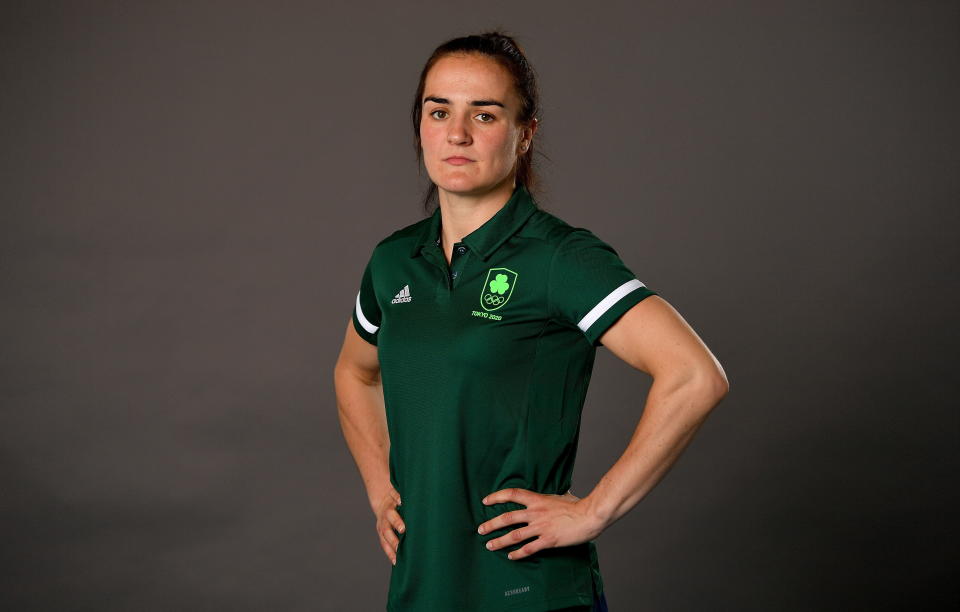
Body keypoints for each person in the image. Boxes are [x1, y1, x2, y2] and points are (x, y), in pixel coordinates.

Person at [334, 31, 729, 612]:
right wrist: (380, 488)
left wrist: (593, 511)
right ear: (419, 123)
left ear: (526, 132)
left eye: (485, 114)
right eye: (438, 110)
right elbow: (354, 372)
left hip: (527, 590)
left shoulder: (560, 258)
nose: (457, 133)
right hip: (422, 585)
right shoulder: (393, 260)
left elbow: (696, 376)